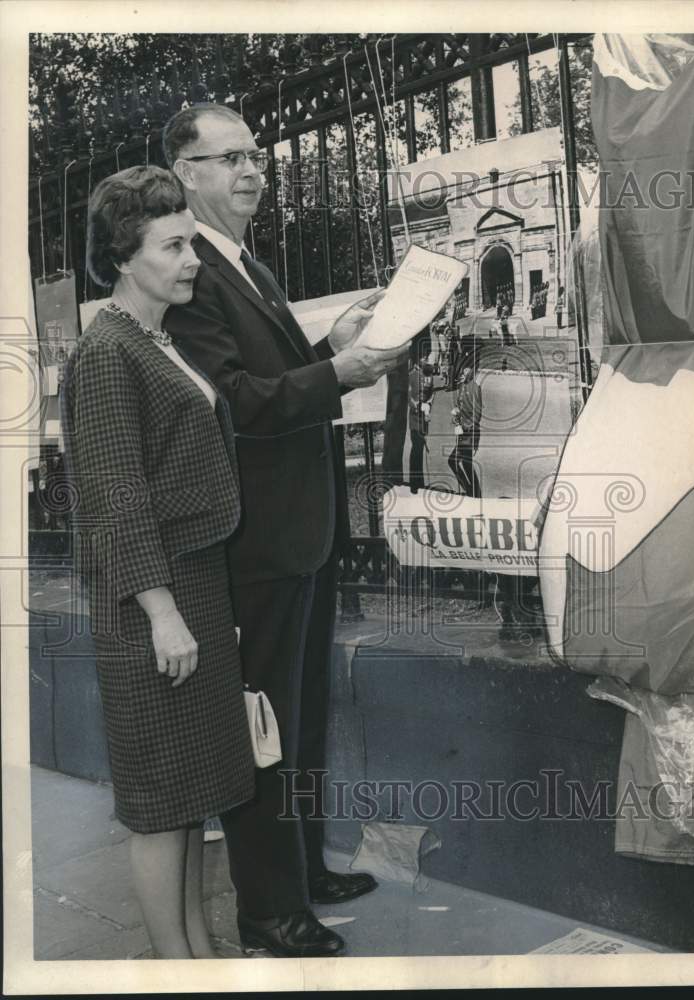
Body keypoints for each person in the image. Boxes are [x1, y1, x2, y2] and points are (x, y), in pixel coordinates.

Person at [162, 103, 406, 958]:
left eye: (255, 154)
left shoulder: (244, 260)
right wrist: (338, 372)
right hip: (255, 539)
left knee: (301, 716)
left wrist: (327, 344)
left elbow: (271, 369)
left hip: (300, 527)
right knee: (263, 725)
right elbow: (231, 401)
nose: (252, 170)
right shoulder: (190, 271)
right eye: (228, 158)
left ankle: (303, 871)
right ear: (185, 175)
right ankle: (269, 911)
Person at [61, 165, 256, 959]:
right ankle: (178, 968)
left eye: (191, 243)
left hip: (189, 586)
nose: (192, 261)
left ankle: (196, 951)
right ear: (123, 254)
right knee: (157, 800)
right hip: (154, 599)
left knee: (188, 792)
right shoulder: (108, 351)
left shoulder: (152, 339)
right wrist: (161, 611)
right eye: (172, 246)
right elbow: (116, 494)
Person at [448, 365, 483, 498]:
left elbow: (477, 414)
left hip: (469, 431)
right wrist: (455, 413)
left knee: (459, 461)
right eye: (464, 370)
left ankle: (473, 492)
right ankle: (473, 491)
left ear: (472, 373)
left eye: (467, 370)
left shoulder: (475, 388)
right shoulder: (462, 386)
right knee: (461, 462)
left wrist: (466, 427)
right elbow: (459, 405)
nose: (464, 372)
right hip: (462, 430)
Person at [408, 357, 435, 494]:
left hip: (424, 417)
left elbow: (431, 393)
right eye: (422, 357)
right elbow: (408, 396)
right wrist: (417, 405)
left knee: (419, 449)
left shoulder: (428, 375)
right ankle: (415, 483)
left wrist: (428, 405)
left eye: (426, 357)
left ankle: (419, 482)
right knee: (417, 448)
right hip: (415, 418)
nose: (425, 359)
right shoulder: (411, 375)